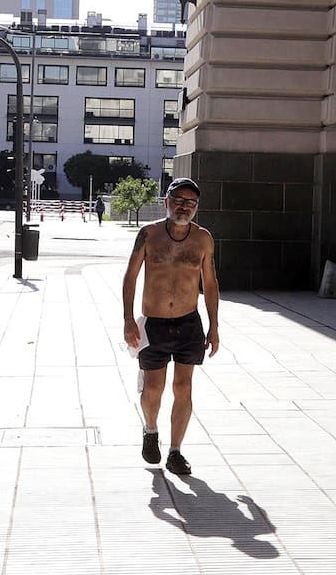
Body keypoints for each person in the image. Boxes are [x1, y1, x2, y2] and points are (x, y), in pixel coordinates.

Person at [123, 177, 219, 476]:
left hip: (189, 324)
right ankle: (151, 430)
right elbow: (130, 276)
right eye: (178, 200)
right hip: (154, 324)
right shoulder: (149, 234)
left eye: (190, 202)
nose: (184, 206)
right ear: (166, 201)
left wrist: (214, 326)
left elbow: (211, 283)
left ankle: (176, 451)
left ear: (197, 207)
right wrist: (128, 319)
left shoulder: (203, 238)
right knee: (154, 387)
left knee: (183, 386)